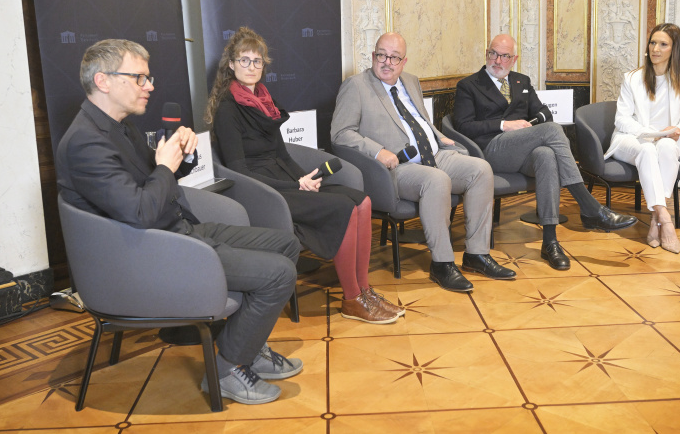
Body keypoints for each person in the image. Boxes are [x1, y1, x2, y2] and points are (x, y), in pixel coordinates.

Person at [56, 39, 304, 406]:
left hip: (177, 231)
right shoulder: (85, 143)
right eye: (139, 78)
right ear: (103, 81)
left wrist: (181, 157)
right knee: (280, 273)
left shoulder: (119, 127)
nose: (149, 86)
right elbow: (139, 211)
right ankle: (228, 368)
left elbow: (157, 181)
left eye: (148, 77)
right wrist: (164, 165)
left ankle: (248, 346)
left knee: (286, 243)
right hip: (151, 254)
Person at [206, 28, 401, 324]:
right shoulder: (227, 109)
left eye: (257, 61)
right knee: (344, 207)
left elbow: (283, 155)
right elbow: (240, 172)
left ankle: (364, 290)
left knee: (362, 201)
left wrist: (306, 178)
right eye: (244, 60)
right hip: (264, 191)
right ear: (231, 64)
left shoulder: (264, 100)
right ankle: (352, 299)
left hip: (287, 180)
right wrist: (294, 184)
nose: (251, 67)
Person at [331, 32, 515, 293]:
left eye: (394, 57)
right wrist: (377, 151)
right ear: (373, 56)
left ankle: (477, 255)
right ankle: (442, 263)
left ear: (404, 62)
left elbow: (419, 121)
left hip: (435, 155)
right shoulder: (356, 86)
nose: (387, 62)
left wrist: (439, 136)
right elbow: (340, 133)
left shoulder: (411, 81)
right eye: (382, 55)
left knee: (481, 169)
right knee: (436, 180)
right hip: (396, 168)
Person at [454, 34, 638, 270]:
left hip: (521, 151)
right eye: (493, 54)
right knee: (551, 130)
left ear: (514, 59)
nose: (497, 61)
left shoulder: (521, 81)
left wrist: (528, 127)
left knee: (546, 156)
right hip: (491, 150)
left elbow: (544, 113)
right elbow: (463, 126)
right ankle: (589, 207)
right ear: (487, 53)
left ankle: (550, 242)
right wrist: (504, 125)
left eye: (505, 56)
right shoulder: (469, 85)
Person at [605, 23, 680, 254]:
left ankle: (656, 219)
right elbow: (622, 119)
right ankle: (665, 219)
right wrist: (650, 134)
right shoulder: (632, 78)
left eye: (663, 44)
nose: (655, 49)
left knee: (666, 147)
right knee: (647, 149)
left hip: (668, 137)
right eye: (653, 43)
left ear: (674, 48)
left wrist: (678, 128)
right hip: (632, 138)